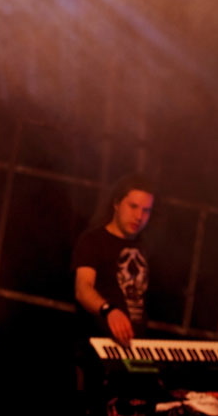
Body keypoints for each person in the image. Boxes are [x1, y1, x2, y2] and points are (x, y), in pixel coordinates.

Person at [71, 172, 155, 415]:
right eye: (133, 206)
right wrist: (109, 310)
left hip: (136, 351)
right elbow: (83, 288)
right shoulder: (92, 240)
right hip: (99, 351)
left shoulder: (145, 247)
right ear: (116, 204)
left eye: (146, 211)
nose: (139, 216)